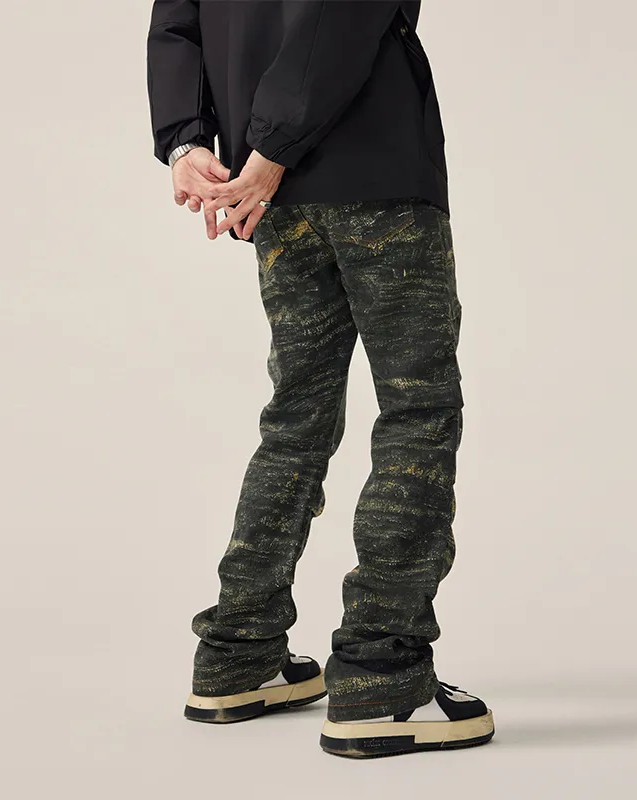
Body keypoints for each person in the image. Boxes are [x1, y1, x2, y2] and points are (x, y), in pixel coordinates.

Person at [146, 0, 494, 758]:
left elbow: (177, 20)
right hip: (368, 168)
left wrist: (185, 141)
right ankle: (381, 674)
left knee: (296, 419)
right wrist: (275, 145)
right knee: (417, 410)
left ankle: (238, 654)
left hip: (266, 189)